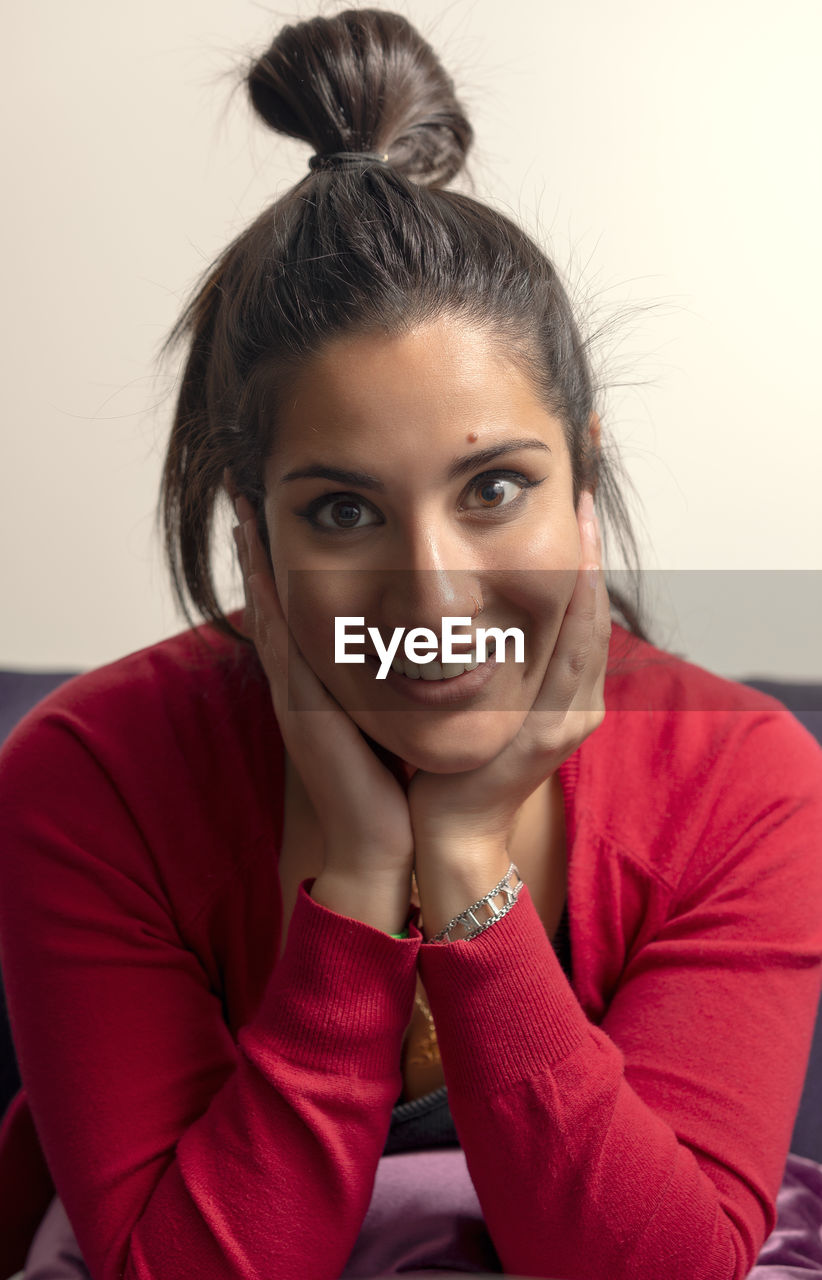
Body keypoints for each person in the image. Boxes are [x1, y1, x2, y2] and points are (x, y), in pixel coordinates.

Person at [0, 9, 821, 1280]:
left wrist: (464, 860)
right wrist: (366, 877)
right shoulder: (90, 775)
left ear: (583, 480)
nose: (432, 593)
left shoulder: (745, 780)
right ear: (252, 532)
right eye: (342, 510)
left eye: (493, 488)